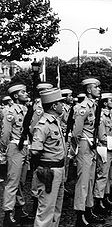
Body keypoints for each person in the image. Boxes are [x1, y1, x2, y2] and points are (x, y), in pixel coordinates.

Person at [30, 88, 66, 227]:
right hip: (49, 171)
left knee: (56, 209)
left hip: (59, 169)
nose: (62, 105)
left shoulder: (55, 122)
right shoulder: (43, 125)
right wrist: (41, 170)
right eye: (60, 103)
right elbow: (35, 151)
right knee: (45, 211)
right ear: (53, 106)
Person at [72, 78, 105, 226]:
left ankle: (89, 209)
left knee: (91, 180)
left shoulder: (94, 106)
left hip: (92, 146)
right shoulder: (83, 108)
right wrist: (75, 151)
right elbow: (76, 133)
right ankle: (80, 215)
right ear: (89, 90)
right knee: (83, 182)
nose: (99, 89)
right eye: (96, 87)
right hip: (85, 146)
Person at [1, 84, 31, 227]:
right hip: (15, 147)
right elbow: (5, 134)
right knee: (13, 182)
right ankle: (7, 215)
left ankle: (19, 212)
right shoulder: (11, 112)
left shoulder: (26, 110)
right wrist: (7, 148)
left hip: (25, 147)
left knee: (21, 181)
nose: (26, 94)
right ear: (15, 96)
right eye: (22, 92)